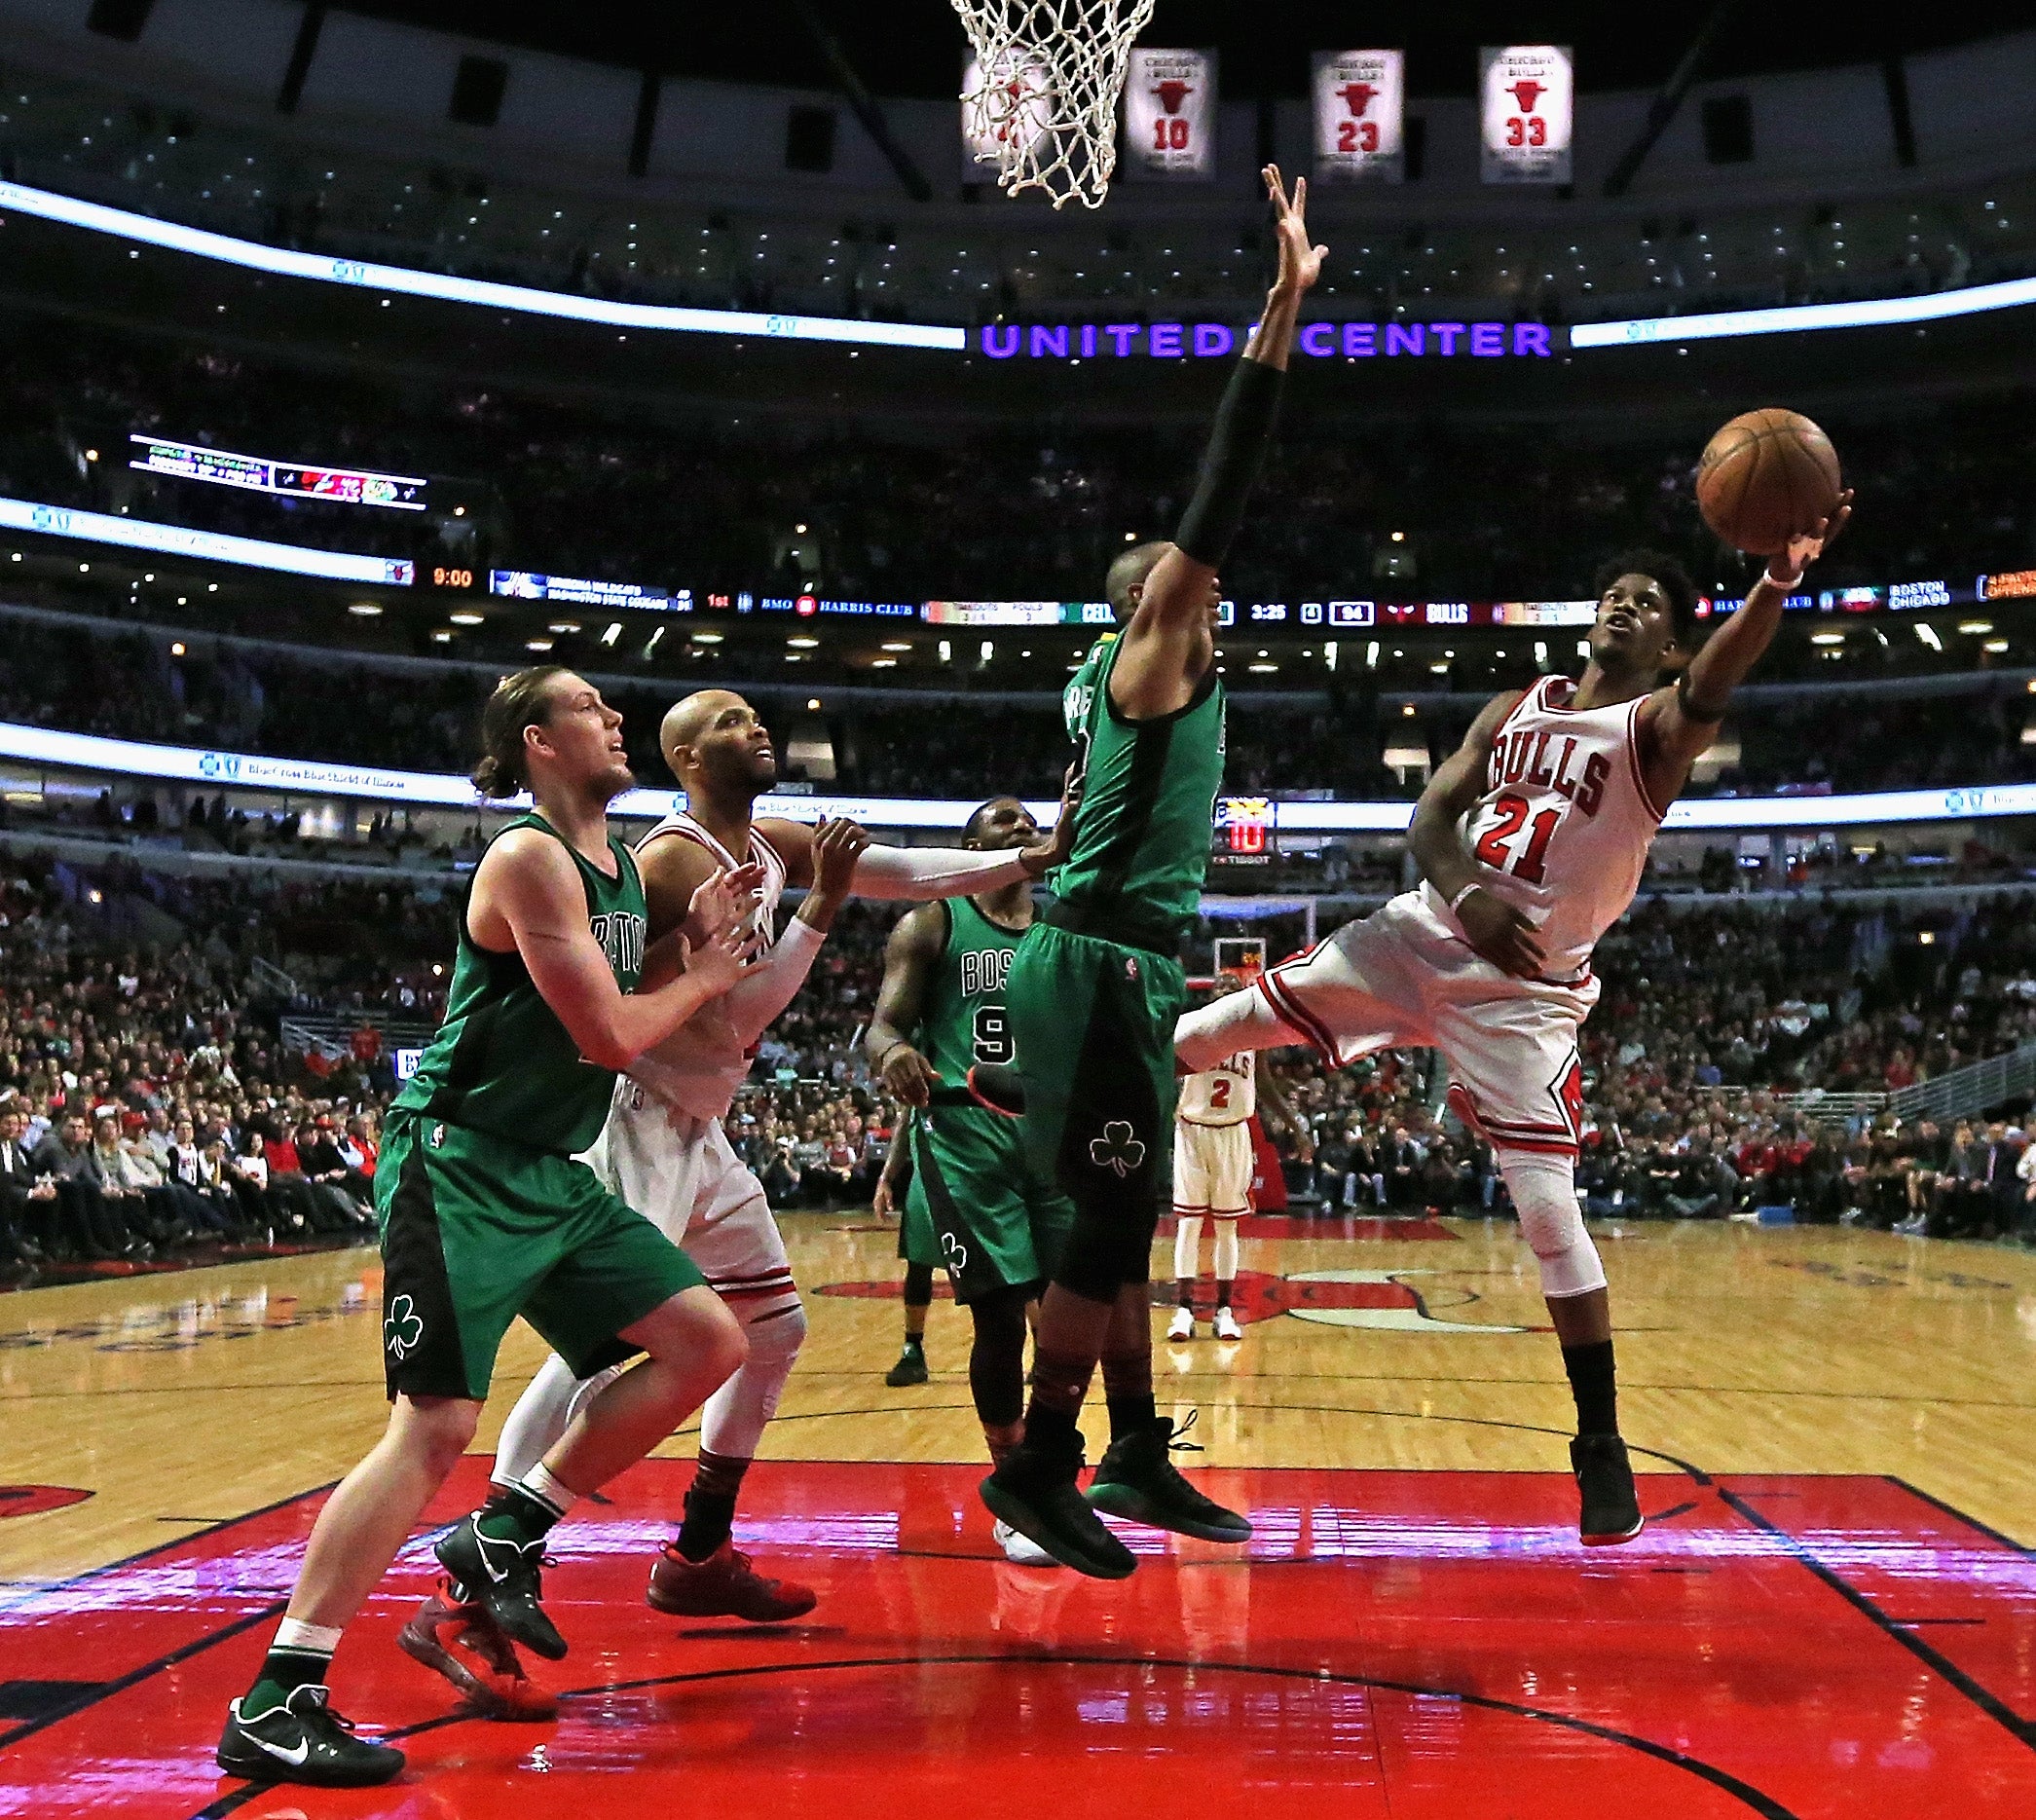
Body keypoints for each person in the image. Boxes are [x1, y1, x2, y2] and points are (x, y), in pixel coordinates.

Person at [1175, 491, 1852, 1546]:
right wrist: (1466, 890)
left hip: (1526, 994)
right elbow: (1429, 815)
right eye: (1613, 594)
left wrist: (1776, 580)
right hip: (1420, 933)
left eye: (1647, 605)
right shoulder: (1513, 706)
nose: (1622, 607)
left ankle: (1600, 1444)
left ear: (1671, 645)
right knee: (1202, 1034)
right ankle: (1054, 1092)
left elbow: (1717, 680)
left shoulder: (1655, 731)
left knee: (1548, 1214)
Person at [215, 666, 759, 1789]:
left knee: (708, 1342)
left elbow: (617, 999)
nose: (615, 717)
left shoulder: (619, 868)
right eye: (590, 707)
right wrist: (703, 976)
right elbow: (609, 1037)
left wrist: (688, 948)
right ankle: (276, 1698)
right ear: (536, 741)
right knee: (435, 1426)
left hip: (550, 1173)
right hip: (457, 1161)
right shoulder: (526, 858)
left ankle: (507, 1529)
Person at [488, 686, 1071, 1624]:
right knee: (602, 1350)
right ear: (685, 759)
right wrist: (822, 908)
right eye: (727, 721)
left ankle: (699, 1549)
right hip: (633, 1119)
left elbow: (903, 872)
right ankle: (492, 1555)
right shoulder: (672, 862)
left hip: (695, 1124)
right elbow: (737, 1015)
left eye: (753, 716)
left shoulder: (766, 842)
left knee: (771, 1326)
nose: (755, 726)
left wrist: (1027, 856)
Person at [978, 166, 1321, 1580]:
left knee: (1125, 1221)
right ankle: (1039, 1466)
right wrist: (1281, 311)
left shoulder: (1118, 677)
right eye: (1192, 584)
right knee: (1109, 1220)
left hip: (1114, 953)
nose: (1214, 590)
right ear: (1152, 605)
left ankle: (1128, 1445)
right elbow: (1222, 488)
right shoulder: (1150, 653)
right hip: (1099, 954)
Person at [863, 797, 1073, 1565]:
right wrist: (892, 1054)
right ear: (970, 846)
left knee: (1065, 1323)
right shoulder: (933, 921)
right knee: (1000, 1319)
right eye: (1002, 820)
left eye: (1028, 818)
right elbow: (882, 1025)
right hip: (963, 1135)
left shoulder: (1060, 931)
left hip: (1049, 1137)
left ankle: (1051, 1472)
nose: (1022, 825)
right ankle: (1015, 1484)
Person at [1168, 977, 1292, 1342]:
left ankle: (1224, 1311)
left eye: (1231, 987)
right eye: (1220, 986)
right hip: (1193, 1130)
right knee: (1189, 1224)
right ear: (1211, 997)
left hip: (1234, 1131)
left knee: (1227, 1227)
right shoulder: (1191, 1027)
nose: (1225, 989)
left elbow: (1264, 1083)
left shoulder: (1255, 1035)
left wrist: (1293, 1124)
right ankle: (1183, 1311)